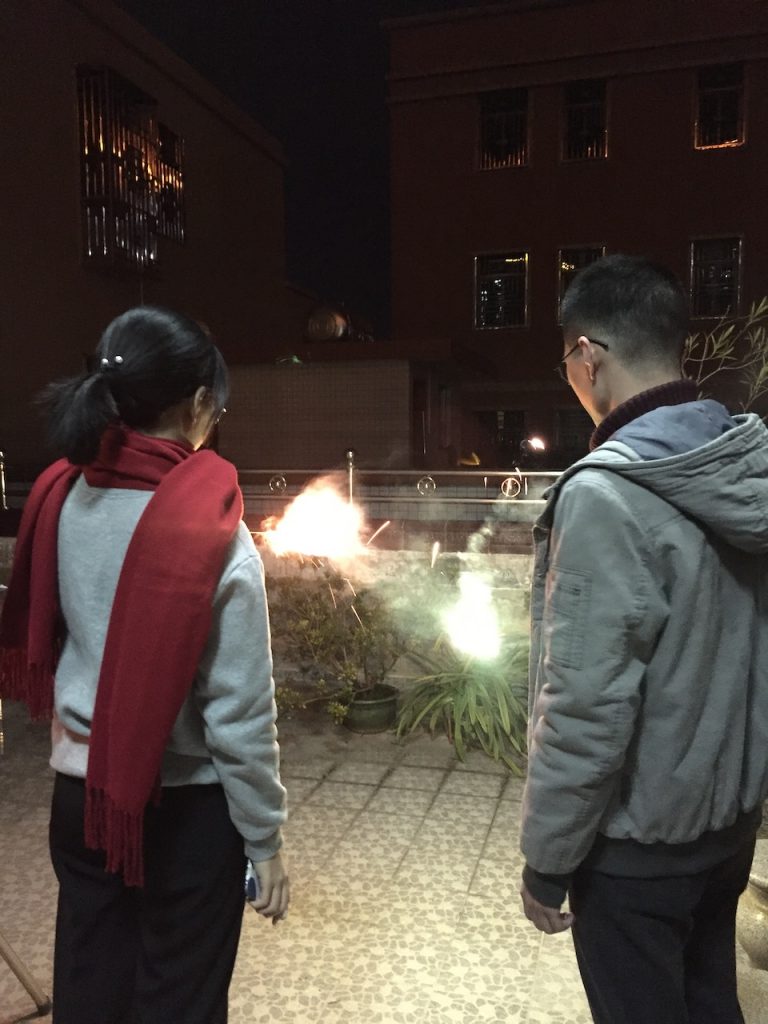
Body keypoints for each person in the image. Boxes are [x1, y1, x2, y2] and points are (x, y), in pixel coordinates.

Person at [0, 306, 289, 1024]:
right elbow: (238, 713)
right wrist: (265, 840)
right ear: (199, 404)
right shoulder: (214, 529)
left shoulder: (63, 494)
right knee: (179, 1000)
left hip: (81, 797)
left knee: (91, 990)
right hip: (185, 811)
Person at [519, 254, 768, 1023]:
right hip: (727, 826)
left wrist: (547, 860)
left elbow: (586, 702)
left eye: (566, 361)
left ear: (587, 354)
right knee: (709, 1000)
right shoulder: (743, 462)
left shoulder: (607, 495)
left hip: (638, 848)